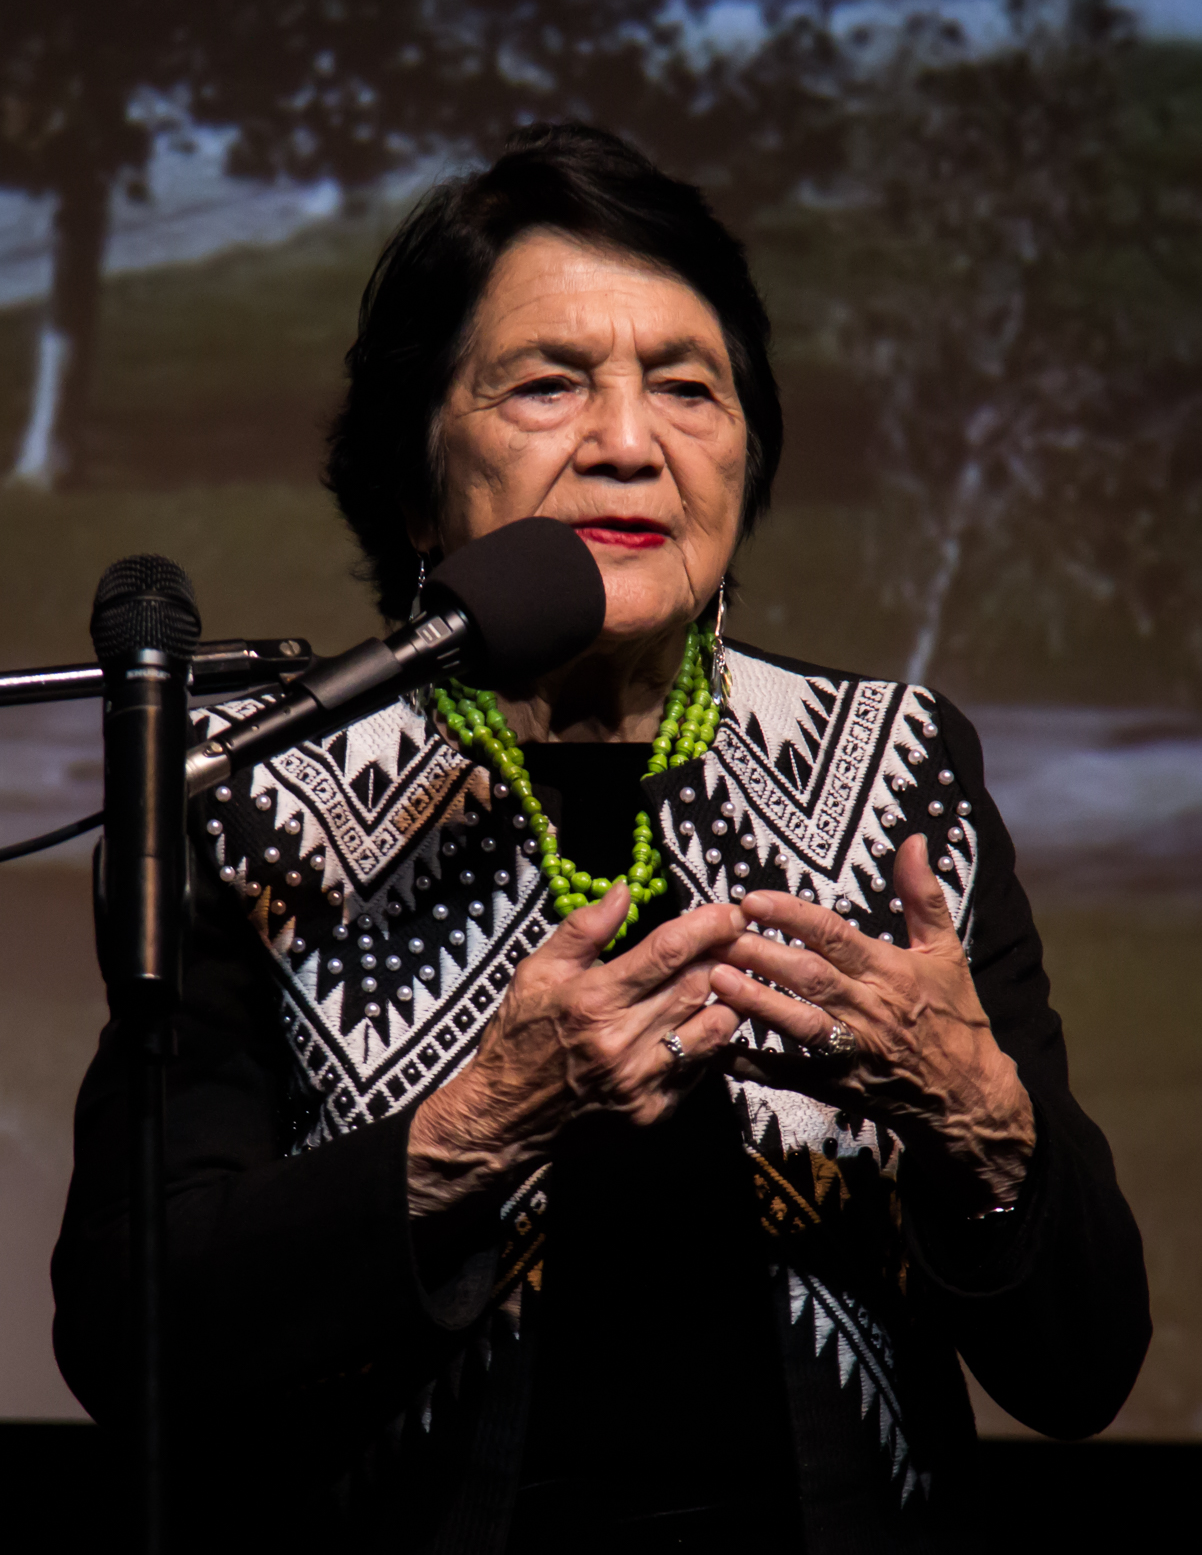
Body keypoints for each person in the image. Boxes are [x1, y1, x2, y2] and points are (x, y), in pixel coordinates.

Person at [53, 123, 1149, 1554]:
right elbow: (130, 1332)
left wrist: (973, 1112)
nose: (628, 442)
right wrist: (468, 1136)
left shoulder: (893, 773)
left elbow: (1082, 1369)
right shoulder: (261, 802)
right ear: (413, 481)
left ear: (744, 459)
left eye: (688, 388)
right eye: (547, 383)